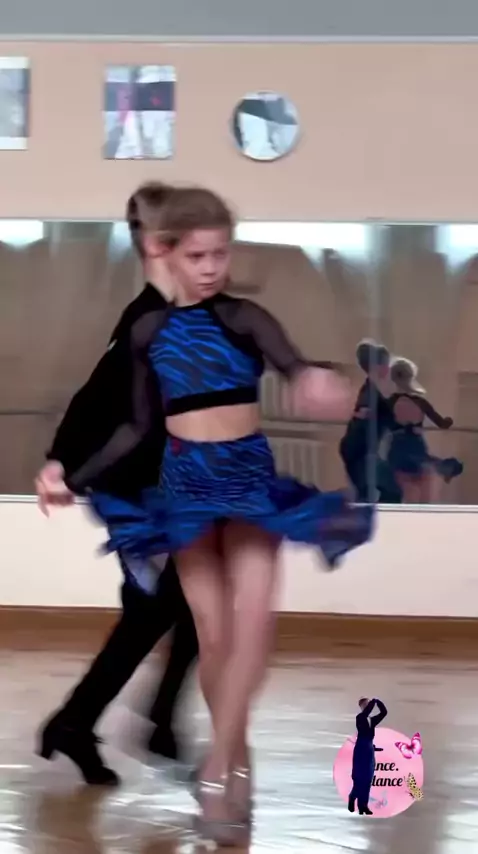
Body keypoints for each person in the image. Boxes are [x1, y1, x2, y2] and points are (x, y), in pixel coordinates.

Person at [40, 184, 375, 844]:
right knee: (213, 640)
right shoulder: (147, 330)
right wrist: (69, 477)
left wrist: (313, 379)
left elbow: (292, 364)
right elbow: (136, 427)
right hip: (187, 491)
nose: (212, 267)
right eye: (198, 256)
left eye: (221, 254)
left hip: (249, 484)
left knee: (252, 633)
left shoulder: (244, 317)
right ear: (163, 251)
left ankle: (224, 766)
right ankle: (229, 761)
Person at [35, 182, 198, 785]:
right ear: (157, 244)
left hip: (158, 490)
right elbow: (99, 398)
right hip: (129, 495)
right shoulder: (148, 318)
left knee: (178, 606)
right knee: (163, 607)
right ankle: (140, 723)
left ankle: (81, 724)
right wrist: (63, 464)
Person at [386, 357, 463, 503]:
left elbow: (377, 422)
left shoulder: (388, 403)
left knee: (403, 487)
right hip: (415, 445)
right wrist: (449, 421)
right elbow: (443, 423)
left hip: (397, 447)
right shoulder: (420, 402)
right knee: (420, 480)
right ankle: (446, 467)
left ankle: (444, 467)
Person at [339, 340, 401, 503]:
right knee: (390, 489)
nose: (388, 368)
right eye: (385, 364)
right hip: (358, 452)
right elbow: (366, 413)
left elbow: (391, 420)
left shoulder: (373, 390)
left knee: (377, 490)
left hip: (359, 451)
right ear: (376, 367)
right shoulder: (370, 394)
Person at [349, 697, 388, 815]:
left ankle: (363, 806)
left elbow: (384, 712)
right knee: (359, 778)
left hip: (369, 749)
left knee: (367, 779)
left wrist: (378, 702)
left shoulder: (372, 720)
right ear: (361, 707)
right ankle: (352, 797)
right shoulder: (360, 717)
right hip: (361, 749)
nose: (367, 706)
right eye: (365, 705)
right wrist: (372, 703)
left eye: (368, 704)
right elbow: (367, 711)